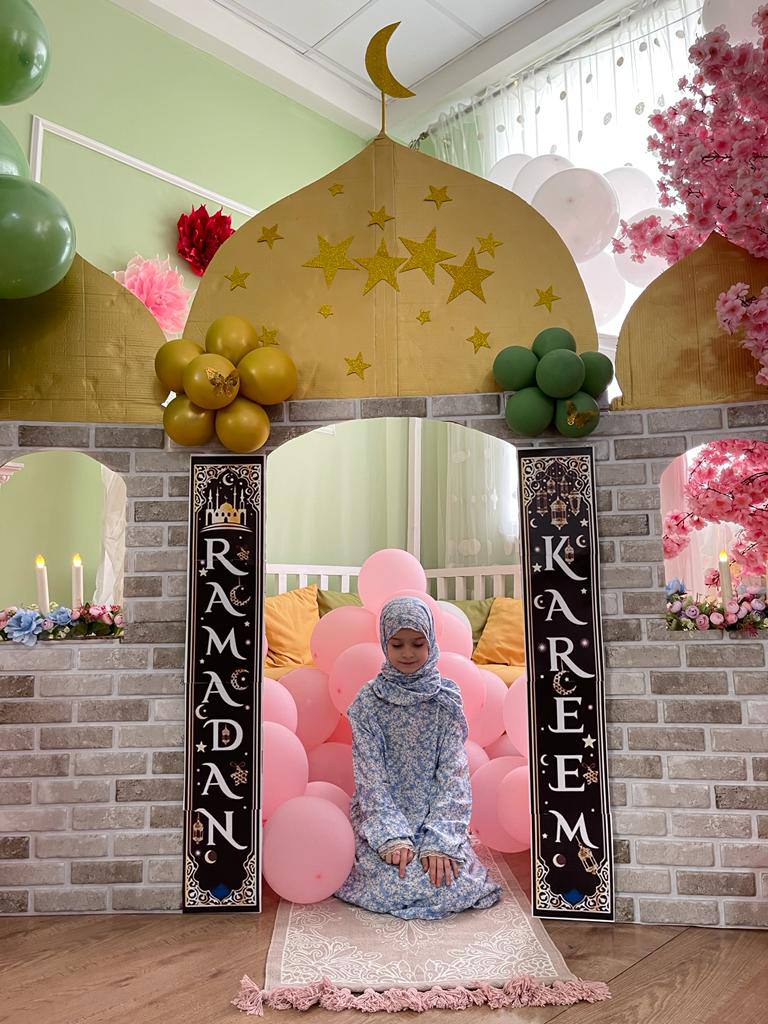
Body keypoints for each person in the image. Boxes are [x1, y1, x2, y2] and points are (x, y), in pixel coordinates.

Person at [334, 595, 502, 920]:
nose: (408, 653)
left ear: (431, 642)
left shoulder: (445, 699)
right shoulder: (368, 702)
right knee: (394, 879)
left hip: (435, 814)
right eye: (397, 645)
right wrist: (392, 836)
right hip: (385, 815)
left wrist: (440, 839)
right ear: (385, 643)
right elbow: (371, 779)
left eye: (417, 643)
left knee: (449, 878)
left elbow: (453, 774)